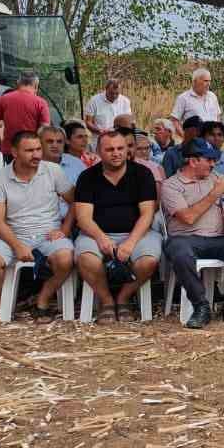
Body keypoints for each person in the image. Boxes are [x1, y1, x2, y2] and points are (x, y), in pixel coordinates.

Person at [0, 130, 76, 319]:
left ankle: (43, 299)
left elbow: (76, 201)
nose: (37, 154)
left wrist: (64, 229)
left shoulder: (53, 171)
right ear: (14, 152)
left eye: (38, 149)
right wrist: (17, 245)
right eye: (29, 150)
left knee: (65, 259)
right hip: (13, 234)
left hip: (48, 234)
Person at [73, 131, 162, 323]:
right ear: (98, 151)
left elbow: (147, 214)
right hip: (96, 233)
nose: (116, 153)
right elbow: (83, 218)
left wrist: (130, 242)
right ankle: (106, 301)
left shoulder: (142, 174)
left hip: (138, 233)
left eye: (121, 148)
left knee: (148, 261)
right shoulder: (87, 177)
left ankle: (123, 298)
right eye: (110, 149)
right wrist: (101, 238)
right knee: (86, 258)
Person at [160, 138, 224, 328]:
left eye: (214, 160)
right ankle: (201, 306)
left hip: (217, 238)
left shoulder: (216, 178)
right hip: (184, 239)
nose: (213, 164)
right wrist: (215, 193)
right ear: (193, 161)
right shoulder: (171, 185)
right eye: (208, 160)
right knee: (180, 252)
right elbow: (187, 217)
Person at [0, 70, 52, 162]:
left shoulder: (4, 99)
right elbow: (45, 129)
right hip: (32, 151)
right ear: (36, 85)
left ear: (18, 83)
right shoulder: (41, 102)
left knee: (11, 175)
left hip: (10, 150)